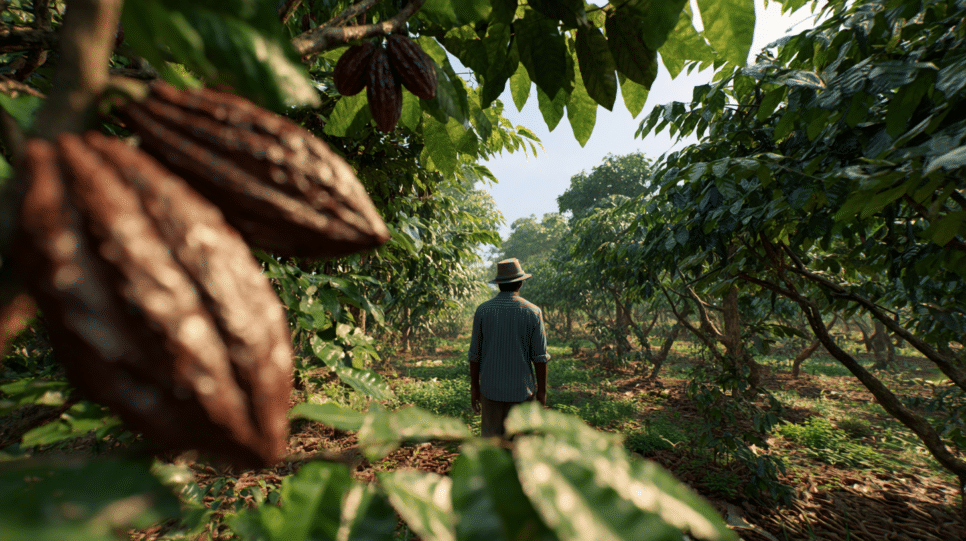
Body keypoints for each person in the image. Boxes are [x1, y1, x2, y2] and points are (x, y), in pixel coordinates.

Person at [468, 258, 550, 438]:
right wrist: (542, 392)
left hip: (490, 392)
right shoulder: (533, 312)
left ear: (498, 284)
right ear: (520, 282)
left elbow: (475, 355)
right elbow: (540, 357)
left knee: (492, 448)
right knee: (521, 447)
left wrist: (475, 388)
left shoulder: (483, 311)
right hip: (522, 392)